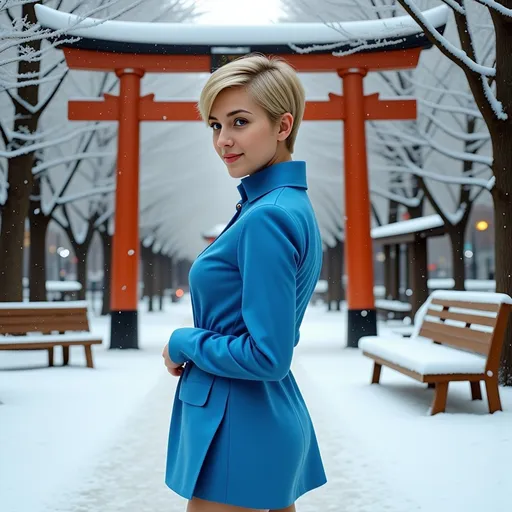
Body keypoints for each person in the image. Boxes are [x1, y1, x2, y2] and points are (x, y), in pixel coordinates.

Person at [162, 53, 327, 512]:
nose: (224, 140)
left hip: (238, 423)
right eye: (215, 125)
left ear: (282, 125)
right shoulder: (280, 206)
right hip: (253, 417)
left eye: (239, 121)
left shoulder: (267, 218)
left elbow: (268, 356)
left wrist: (184, 341)